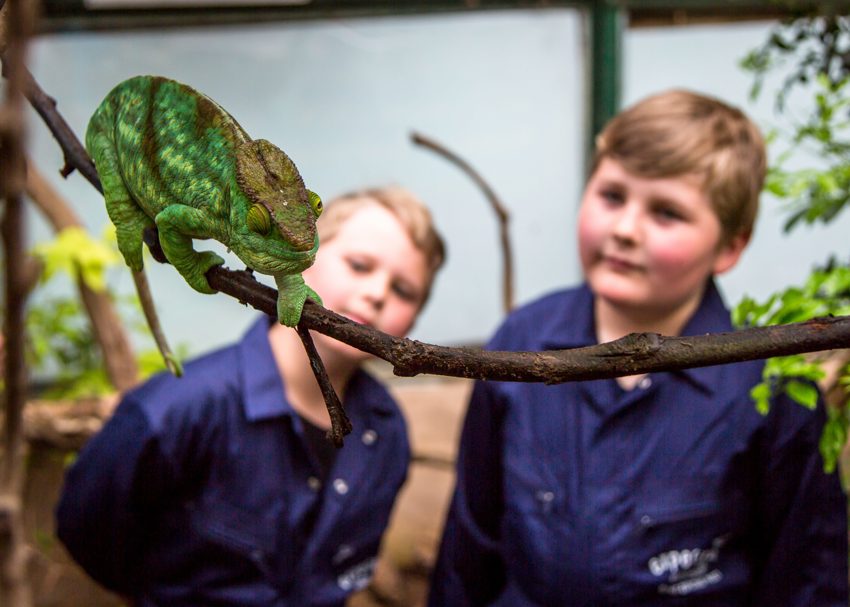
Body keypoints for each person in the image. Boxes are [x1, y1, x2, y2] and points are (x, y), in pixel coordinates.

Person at [428, 90, 848, 606]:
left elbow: (807, 579)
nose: (625, 230)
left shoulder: (772, 386)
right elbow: (467, 550)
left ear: (730, 246)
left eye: (666, 213)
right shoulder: (521, 340)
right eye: (612, 196)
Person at [56, 186, 446, 606]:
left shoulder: (386, 432)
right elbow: (87, 526)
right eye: (359, 265)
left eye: (404, 291)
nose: (378, 293)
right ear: (301, 256)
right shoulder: (181, 408)